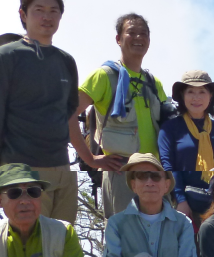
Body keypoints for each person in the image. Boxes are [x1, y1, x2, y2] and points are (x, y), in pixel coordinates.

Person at [0, 0, 79, 223]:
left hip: (62, 167)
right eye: (39, 9)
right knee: (29, 246)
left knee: (62, 243)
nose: (47, 17)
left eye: (54, 10)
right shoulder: (6, 56)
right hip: (21, 166)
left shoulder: (66, 61)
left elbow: (69, 107)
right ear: (23, 14)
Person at [70, 13, 169, 218]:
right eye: (131, 32)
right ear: (118, 39)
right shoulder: (104, 76)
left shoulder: (153, 82)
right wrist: (91, 159)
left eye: (143, 33)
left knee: (160, 242)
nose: (138, 38)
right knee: (124, 241)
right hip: (120, 172)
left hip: (156, 175)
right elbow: (67, 115)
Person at [157, 70, 214, 228]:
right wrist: (180, 200)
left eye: (202, 92)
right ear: (182, 95)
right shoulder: (170, 128)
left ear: (210, 96)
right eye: (190, 91)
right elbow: (168, 166)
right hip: (183, 203)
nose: (196, 97)